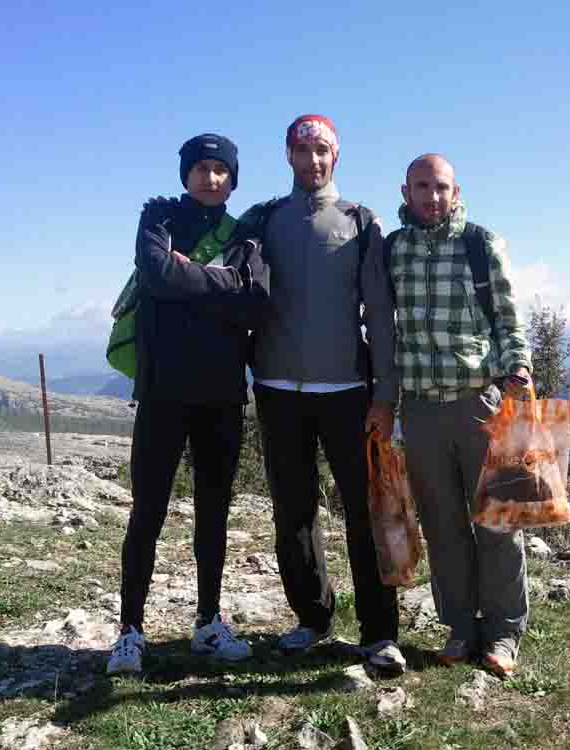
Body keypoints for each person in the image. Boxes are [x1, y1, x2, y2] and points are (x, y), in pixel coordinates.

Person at [246, 114, 405, 674]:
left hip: (348, 392)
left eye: (322, 150)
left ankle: (380, 631)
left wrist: (385, 394)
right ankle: (311, 619)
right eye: (302, 150)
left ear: (335, 155)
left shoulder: (361, 221)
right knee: (293, 510)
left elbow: (381, 318)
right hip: (277, 387)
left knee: (365, 511)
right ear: (287, 155)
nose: (312, 161)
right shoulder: (265, 219)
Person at [107, 134, 270, 674]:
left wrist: (191, 279)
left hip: (222, 394)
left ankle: (208, 621)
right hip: (161, 392)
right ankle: (130, 630)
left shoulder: (243, 232)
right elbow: (157, 273)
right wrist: (221, 281)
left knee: (214, 513)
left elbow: (255, 298)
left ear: (232, 178)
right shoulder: (158, 217)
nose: (210, 177)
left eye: (221, 169)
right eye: (200, 168)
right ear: (185, 174)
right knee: (147, 511)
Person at [386, 153, 533, 677]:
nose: (431, 196)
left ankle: (504, 631)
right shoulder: (393, 250)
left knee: (498, 521)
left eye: (441, 187)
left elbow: (510, 316)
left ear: (456, 190)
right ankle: (460, 626)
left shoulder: (480, 243)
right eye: (421, 186)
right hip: (420, 409)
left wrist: (518, 366)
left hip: (479, 402)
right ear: (405, 192)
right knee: (443, 525)